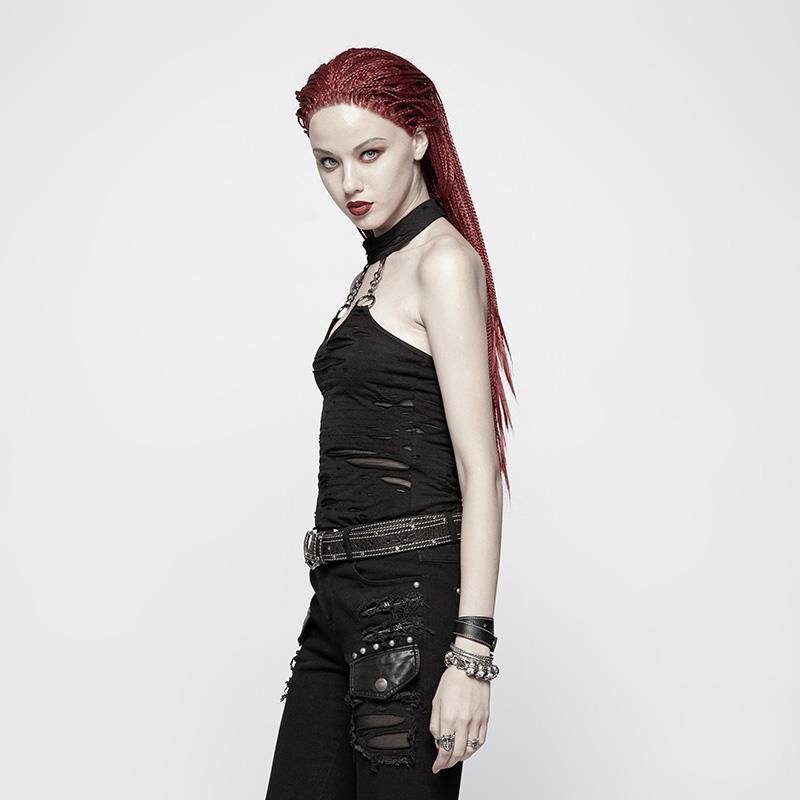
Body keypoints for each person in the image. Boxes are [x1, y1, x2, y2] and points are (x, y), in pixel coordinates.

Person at [265, 47, 515, 800]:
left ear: (420, 138)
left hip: (409, 599)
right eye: (328, 162)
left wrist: (471, 653)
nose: (349, 183)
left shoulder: (442, 262)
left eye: (368, 154)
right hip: (336, 599)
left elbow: (480, 471)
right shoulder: (377, 267)